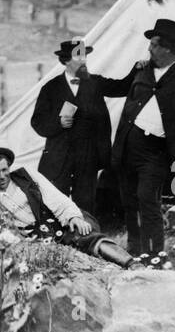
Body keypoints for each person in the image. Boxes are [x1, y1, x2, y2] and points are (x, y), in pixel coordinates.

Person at [92, 18, 175, 260]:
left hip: (156, 151)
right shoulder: (142, 69)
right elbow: (120, 87)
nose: (149, 48)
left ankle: (154, 256)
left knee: (147, 200)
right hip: (128, 143)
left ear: (168, 48)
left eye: (154, 44)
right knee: (130, 201)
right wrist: (87, 78)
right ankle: (133, 253)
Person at [0, 146, 137, 269]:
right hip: (35, 240)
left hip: (56, 222)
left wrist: (73, 216)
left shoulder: (26, 176)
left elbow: (53, 195)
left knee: (83, 234)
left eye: (5, 169)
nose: (2, 176)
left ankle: (131, 264)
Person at [30, 39, 113, 216]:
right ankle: (59, 240)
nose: (83, 61)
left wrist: (139, 69)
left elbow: (121, 87)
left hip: (87, 157)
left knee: (86, 202)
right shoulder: (50, 88)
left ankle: (86, 239)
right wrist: (57, 123)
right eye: (78, 57)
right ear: (66, 60)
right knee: (56, 202)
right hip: (58, 157)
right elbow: (37, 122)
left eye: (85, 57)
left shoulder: (95, 83)